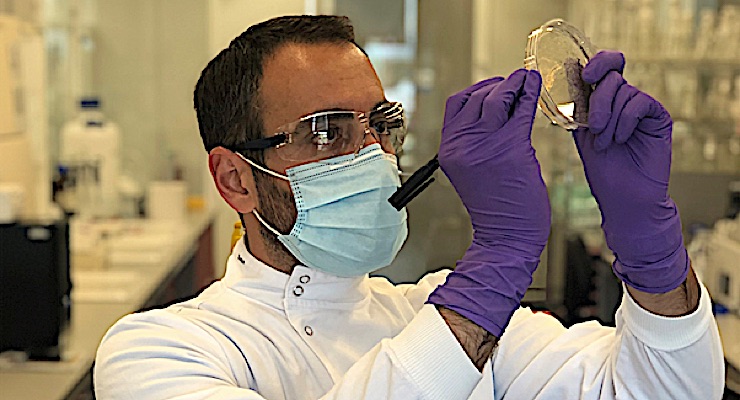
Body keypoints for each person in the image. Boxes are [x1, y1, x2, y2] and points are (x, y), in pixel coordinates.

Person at [94, 15, 725, 399]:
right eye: (326, 132)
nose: (373, 155)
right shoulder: (161, 351)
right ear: (235, 180)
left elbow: (668, 392)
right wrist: (496, 263)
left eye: (380, 124)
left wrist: (653, 252)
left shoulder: (434, 314)